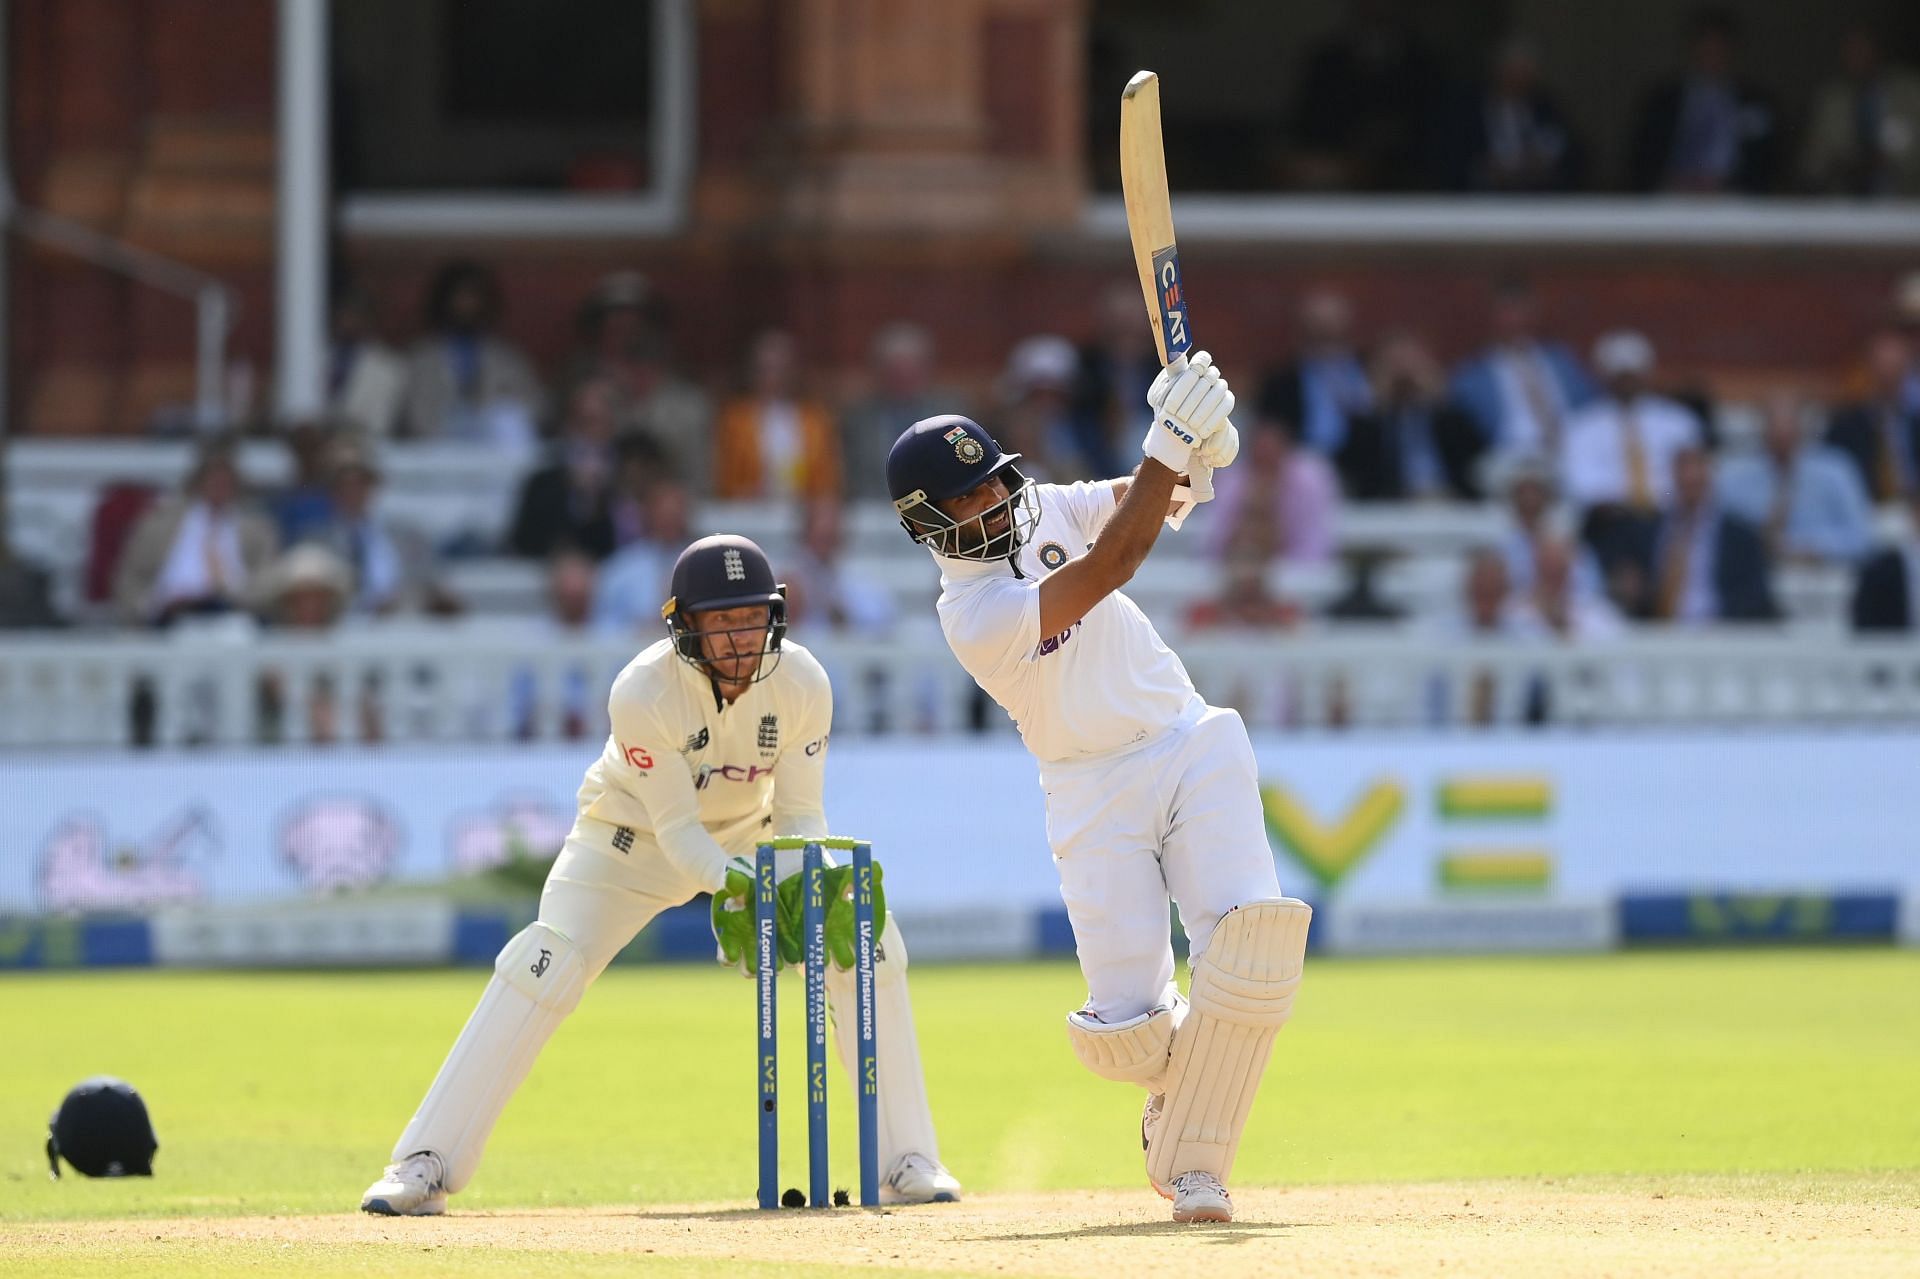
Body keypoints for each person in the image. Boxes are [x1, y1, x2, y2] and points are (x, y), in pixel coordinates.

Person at [361, 535, 959, 1215]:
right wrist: (743, 887)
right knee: (544, 961)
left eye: (751, 617)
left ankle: (909, 1159)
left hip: (749, 838)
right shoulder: (643, 690)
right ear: (686, 627)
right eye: (722, 621)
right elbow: (676, 833)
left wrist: (799, 883)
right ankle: (423, 1162)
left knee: (868, 943)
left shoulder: (803, 681)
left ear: (776, 615)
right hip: (624, 842)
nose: (740, 638)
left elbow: (800, 812)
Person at [884, 352, 1311, 1224]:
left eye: (995, 483)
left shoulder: (1042, 505)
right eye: (967, 500)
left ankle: (1196, 1166)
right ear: (925, 523)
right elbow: (1115, 560)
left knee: (1254, 953)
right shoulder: (971, 617)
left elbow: (1146, 500)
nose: (994, 503)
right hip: (1090, 787)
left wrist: (1198, 454)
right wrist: (1171, 442)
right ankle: (1181, 1094)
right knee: (1129, 1037)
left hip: (1187, 738)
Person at [112, 436, 279, 626]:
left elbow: (268, 582)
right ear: (199, 479)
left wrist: (233, 594)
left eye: (225, 477)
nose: (219, 484)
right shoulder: (158, 524)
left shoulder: (257, 530)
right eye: (214, 476)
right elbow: (130, 580)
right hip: (170, 619)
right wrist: (152, 606)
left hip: (235, 616)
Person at [1629, 7, 1781, 195]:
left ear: (1733, 51)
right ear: (1691, 49)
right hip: (1671, 197)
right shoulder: (1661, 100)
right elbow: (1640, 159)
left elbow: (1770, 164)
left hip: (1735, 200)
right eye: (1706, 47)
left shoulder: (1757, 102)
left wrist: (1723, 183)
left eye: (1719, 48)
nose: (1712, 55)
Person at [1715, 392, 1874, 565]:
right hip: (1754, 578)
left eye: (1789, 428)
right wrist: (1759, 544)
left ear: (1802, 429)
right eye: (1775, 429)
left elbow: (1863, 538)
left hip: (1825, 576)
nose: (1782, 436)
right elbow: (1718, 540)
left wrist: (1812, 548)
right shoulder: (1734, 478)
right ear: (1762, 429)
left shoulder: (1837, 471)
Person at [712, 330, 841, 501]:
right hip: (749, 511)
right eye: (766, 369)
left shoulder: (815, 418)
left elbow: (828, 477)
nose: (774, 377)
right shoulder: (735, 419)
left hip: (806, 510)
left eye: (781, 369)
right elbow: (724, 476)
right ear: (753, 372)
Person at [1801, 24, 1920, 198]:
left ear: (1879, 51)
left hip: (1905, 203)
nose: (1857, 57)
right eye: (1851, 51)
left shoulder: (1911, 91)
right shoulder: (1831, 100)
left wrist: (1890, 162)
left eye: (1863, 49)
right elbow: (1811, 162)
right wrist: (1840, 164)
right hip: (1846, 205)